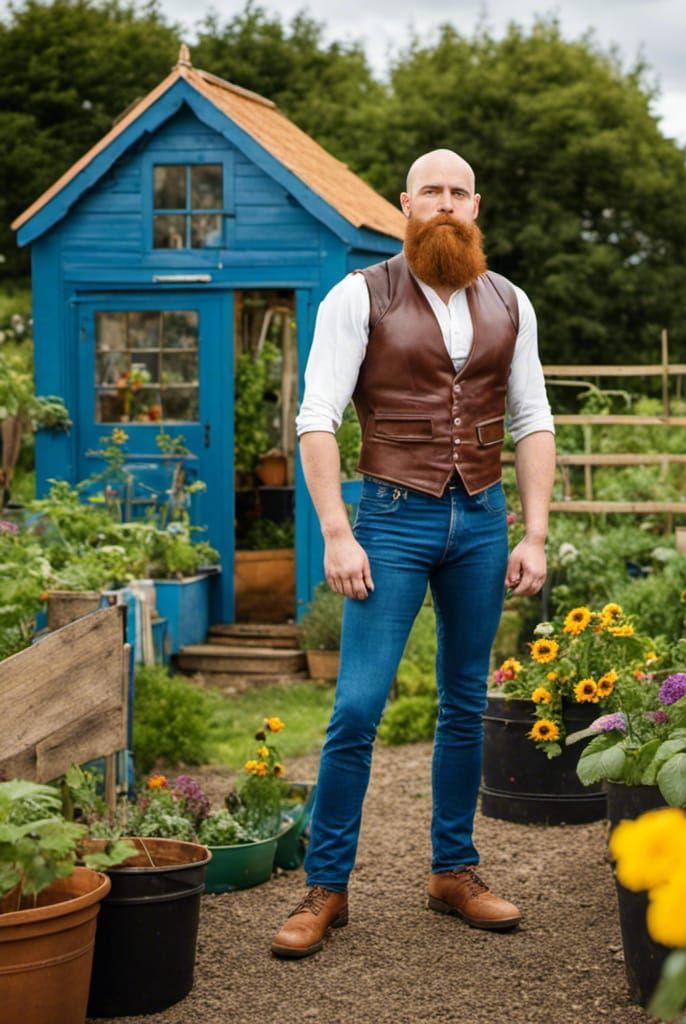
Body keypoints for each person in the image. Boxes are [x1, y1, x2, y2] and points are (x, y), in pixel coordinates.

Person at [271, 149, 556, 959]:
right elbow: (316, 418)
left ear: (476, 206)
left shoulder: (509, 301)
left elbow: (533, 418)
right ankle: (326, 888)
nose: (444, 204)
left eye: (458, 192)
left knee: (465, 705)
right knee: (356, 709)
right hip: (390, 520)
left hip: (483, 520)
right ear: (406, 203)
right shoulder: (358, 296)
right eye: (430, 191)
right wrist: (336, 530)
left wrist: (533, 533)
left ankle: (452, 872)